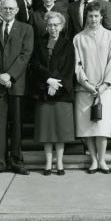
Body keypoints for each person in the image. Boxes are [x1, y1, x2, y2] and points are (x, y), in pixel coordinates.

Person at [0, 0, 34, 175]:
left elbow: (25, 54)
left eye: (11, 9)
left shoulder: (26, 29)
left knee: (18, 124)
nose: (8, 11)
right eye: (5, 8)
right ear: (0, 10)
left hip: (17, 84)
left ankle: (17, 160)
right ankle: (0, 162)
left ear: (17, 10)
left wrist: (10, 75)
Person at [73, 2, 111, 174]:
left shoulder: (110, 36)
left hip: (104, 89)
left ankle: (102, 160)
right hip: (85, 89)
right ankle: (93, 160)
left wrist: (105, 84)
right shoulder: (78, 38)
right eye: (90, 16)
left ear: (101, 17)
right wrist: (86, 83)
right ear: (86, 17)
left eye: (96, 16)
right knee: (87, 127)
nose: (93, 19)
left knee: (102, 127)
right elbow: (77, 64)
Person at [33, 11, 76, 175]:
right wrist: (47, 81)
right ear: (46, 26)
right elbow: (35, 65)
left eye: (56, 24)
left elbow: (68, 68)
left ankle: (59, 163)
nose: (53, 28)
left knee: (60, 131)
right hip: (44, 91)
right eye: (50, 24)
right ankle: (48, 164)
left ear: (62, 26)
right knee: (47, 131)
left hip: (62, 93)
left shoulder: (68, 44)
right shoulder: (39, 43)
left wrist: (55, 84)